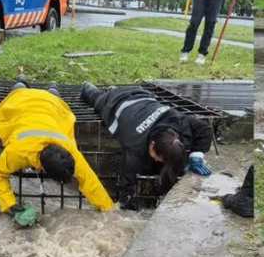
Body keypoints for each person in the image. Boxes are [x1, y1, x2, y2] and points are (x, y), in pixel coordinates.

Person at [0, 79, 114, 225]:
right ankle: (30, 84)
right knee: (19, 90)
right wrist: (10, 205)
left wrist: (109, 211)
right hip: (24, 101)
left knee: (49, 96)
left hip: (49, 104)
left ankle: (47, 87)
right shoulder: (19, 152)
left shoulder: (69, 151)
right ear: (44, 168)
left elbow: (89, 181)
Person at [80, 82, 213, 208]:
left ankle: (113, 89)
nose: (157, 160)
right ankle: (90, 87)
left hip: (142, 94)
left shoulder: (177, 120)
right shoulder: (134, 143)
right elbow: (128, 181)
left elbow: (205, 129)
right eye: (158, 158)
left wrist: (196, 155)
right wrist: (125, 205)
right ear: (152, 144)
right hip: (115, 102)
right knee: (94, 97)